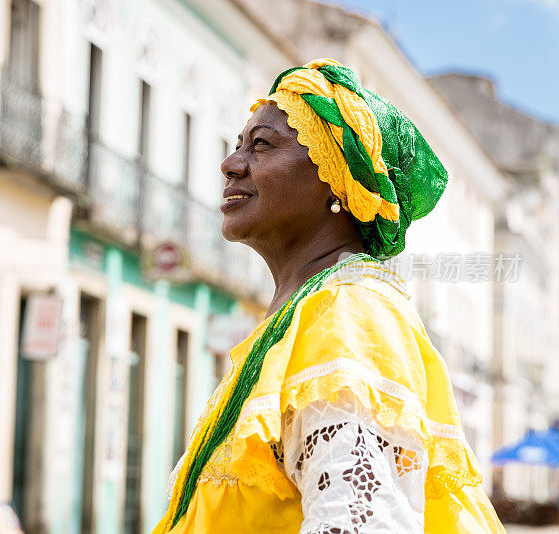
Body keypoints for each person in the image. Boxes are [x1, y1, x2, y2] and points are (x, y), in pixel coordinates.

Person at [152, 59, 505, 533]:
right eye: (239, 144)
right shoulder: (305, 317)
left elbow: (359, 521)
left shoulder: (349, 316)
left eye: (261, 145)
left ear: (335, 182)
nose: (231, 163)